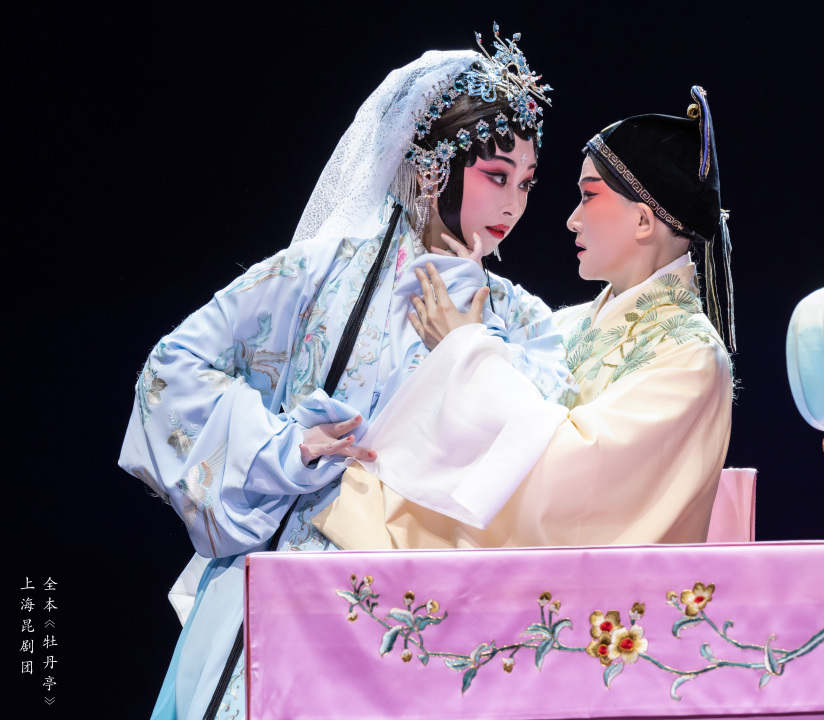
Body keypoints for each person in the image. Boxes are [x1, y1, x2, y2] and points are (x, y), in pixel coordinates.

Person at [119, 29, 575, 720]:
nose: (514, 203)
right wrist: (283, 448)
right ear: (432, 169)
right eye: (496, 175)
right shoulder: (324, 272)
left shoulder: (525, 324)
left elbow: (544, 459)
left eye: (526, 183)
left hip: (417, 616)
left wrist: (473, 351)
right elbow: (169, 370)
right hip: (287, 585)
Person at [315, 85, 736, 550]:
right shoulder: (563, 324)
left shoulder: (691, 356)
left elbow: (574, 481)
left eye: (589, 196)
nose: (572, 219)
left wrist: (467, 350)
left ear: (642, 221)